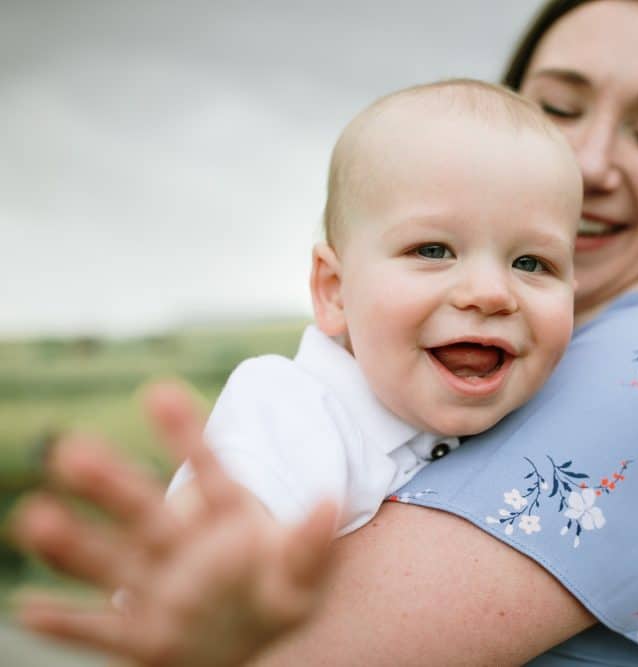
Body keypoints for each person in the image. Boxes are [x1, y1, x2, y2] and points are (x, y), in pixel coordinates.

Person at [14, 1, 638, 665]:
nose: (588, 164)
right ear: (333, 288)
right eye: (555, 109)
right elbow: (222, 606)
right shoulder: (301, 407)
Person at [166, 78, 583, 536]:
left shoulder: (541, 407)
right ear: (335, 291)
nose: (490, 293)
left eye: (531, 262)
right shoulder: (292, 408)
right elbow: (229, 515)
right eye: (432, 250)